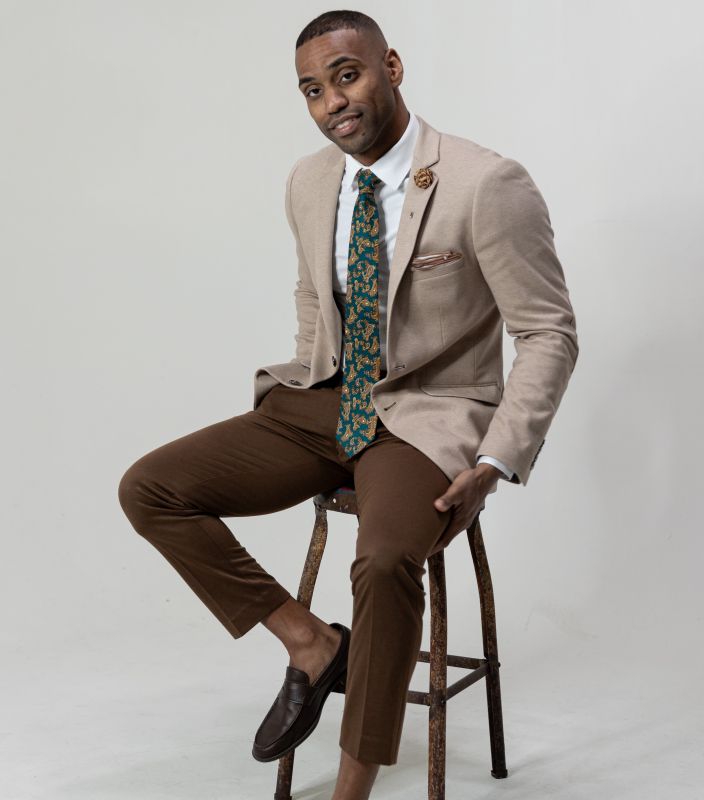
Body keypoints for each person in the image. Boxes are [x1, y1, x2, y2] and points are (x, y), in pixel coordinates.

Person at [117, 9, 578, 800]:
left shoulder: (484, 182)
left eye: (346, 75)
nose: (333, 101)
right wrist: (309, 370)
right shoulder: (309, 181)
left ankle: (353, 786)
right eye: (312, 90)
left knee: (388, 558)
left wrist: (496, 460)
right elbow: (313, 294)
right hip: (328, 401)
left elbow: (548, 333)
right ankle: (311, 645)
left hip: (428, 416)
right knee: (151, 488)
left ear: (390, 66)